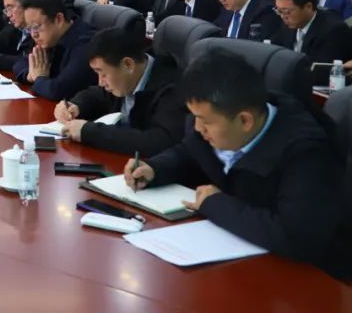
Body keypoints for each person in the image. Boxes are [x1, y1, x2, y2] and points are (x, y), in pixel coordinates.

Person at [124, 49, 351, 281]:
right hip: (240, 259)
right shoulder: (217, 117)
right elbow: (190, 152)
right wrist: (155, 168)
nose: (198, 128)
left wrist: (215, 204)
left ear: (245, 121)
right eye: (195, 117)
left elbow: (296, 238)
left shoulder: (308, 153)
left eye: (205, 122)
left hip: (310, 279)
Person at [54, 28, 184, 156]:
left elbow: (159, 141)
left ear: (128, 65)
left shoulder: (171, 89)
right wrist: (75, 105)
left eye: (103, 74)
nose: (100, 82)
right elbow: (97, 94)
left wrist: (89, 132)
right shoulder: (125, 78)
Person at [13, 0, 96, 100]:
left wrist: (39, 78)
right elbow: (20, 62)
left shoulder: (86, 43)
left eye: (36, 26)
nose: (33, 34)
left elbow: (59, 90)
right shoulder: (49, 36)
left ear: (59, 19)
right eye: (29, 28)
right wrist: (29, 75)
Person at [271, 0, 352, 84]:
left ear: (308, 7)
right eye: (279, 10)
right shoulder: (289, 21)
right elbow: (274, 52)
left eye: (287, 11)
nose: (283, 16)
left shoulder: (333, 30)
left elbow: (318, 73)